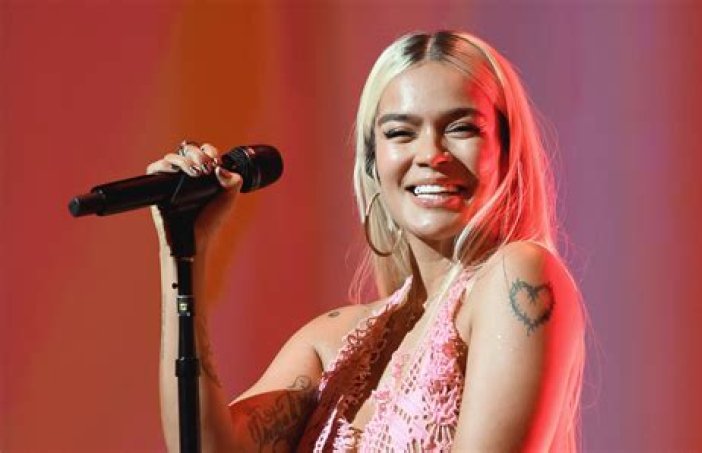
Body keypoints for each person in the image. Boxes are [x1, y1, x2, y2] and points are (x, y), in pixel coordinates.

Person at [147, 30, 585, 452]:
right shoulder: (331, 343)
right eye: (400, 133)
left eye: (461, 128)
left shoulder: (517, 277)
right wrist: (183, 247)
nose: (431, 155)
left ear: (506, 150)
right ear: (373, 163)